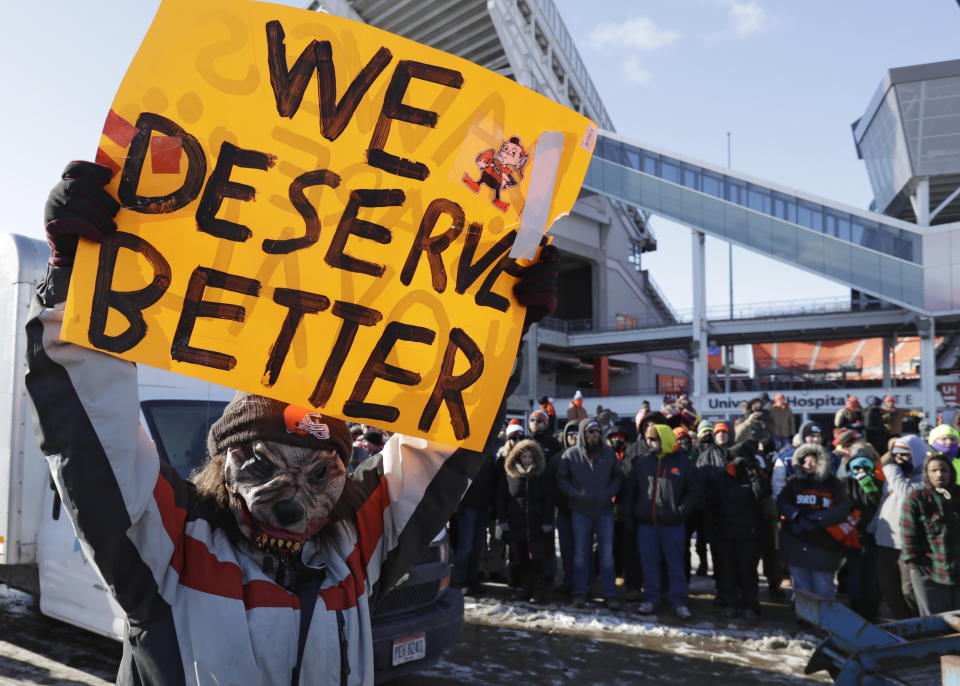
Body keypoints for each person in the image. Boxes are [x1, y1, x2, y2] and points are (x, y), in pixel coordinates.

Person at [28, 161, 559, 684]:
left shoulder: (354, 546)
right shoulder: (166, 544)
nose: (290, 500)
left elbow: (444, 443)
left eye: (318, 474)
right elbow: (96, 433)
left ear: (342, 473)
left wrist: (498, 332)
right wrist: (74, 282)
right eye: (264, 466)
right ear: (225, 463)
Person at [623, 423, 701, 619]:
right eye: (648, 439)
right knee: (649, 564)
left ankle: (679, 601)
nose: (650, 443)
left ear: (665, 439)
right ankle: (651, 599)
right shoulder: (641, 463)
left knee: (676, 564)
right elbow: (631, 491)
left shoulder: (684, 464)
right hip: (647, 524)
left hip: (673, 524)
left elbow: (695, 491)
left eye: (654, 439)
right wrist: (630, 515)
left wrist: (681, 511)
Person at [556, 418, 623, 609]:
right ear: (583, 434)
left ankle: (610, 594)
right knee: (581, 554)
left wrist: (610, 492)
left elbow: (618, 477)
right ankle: (580, 592)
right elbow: (562, 479)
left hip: (604, 511)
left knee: (607, 555)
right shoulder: (570, 455)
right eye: (591, 432)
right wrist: (575, 493)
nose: (595, 435)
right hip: (580, 511)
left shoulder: (609, 453)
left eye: (597, 431)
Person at [777, 444, 850, 601]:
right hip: (796, 542)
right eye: (804, 462)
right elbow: (782, 502)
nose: (808, 466)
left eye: (812, 462)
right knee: (801, 587)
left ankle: (825, 621)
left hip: (824, 544)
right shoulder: (794, 483)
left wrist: (816, 519)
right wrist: (796, 516)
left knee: (823, 588)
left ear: (822, 463)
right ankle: (804, 619)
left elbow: (843, 508)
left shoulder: (834, 484)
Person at [868, 435, 926, 619]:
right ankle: (900, 624)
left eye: (905, 455)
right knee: (888, 587)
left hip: (907, 545)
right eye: (896, 455)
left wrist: (892, 472)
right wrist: (873, 526)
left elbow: (907, 497)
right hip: (886, 542)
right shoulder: (896, 477)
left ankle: (918, 625)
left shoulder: (923, 479)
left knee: (908, 589)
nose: (899, 459)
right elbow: (886, 501)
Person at [712, 443, 770, 621]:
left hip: (749, 532)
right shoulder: (721, 477)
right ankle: (730, 603)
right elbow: (713, 503)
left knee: (748, 571)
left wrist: (753, 472)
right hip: (726, 532)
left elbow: (763, 493)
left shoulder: (753, 474)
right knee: (729, 570)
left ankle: (750, 604)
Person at [496, 439, 554, 603]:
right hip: (516, 523)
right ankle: (526, 589)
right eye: (524, 457)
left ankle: (539, 592)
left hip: (536, 524)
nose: (527, 460)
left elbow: (548, 499)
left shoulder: (541, 475)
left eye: (530, 457)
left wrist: (547, 520)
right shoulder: (510, 475)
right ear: (518, 457)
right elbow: (502, 498)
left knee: (537, 560)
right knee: (520, 560)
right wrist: (502, 519)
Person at [901, 453, 960, 615]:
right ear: (927, 473)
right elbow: (908, 534)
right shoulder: (917, 497)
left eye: (944, 470)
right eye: (934, 470)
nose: (939, 474)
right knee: (934, 620)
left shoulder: (957, 494)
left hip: (957, 567)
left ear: (951, 473)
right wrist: (914, 566)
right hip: (929, 569)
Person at [840, 450, 883, 621]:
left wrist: (868, 485)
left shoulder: (879, 484)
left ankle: (872, 613)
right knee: (855, 576)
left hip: (873, 538)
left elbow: (877, 504)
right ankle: (856, 611)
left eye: (865, 467)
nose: (860, 470)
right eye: (856, 467)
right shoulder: (844, 483)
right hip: (852, 537)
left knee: (872, 577)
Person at [555, 419, 581, 594]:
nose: (573, 436)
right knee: (565, 549)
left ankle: (581, 584)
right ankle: (568, 581)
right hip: (563, 511)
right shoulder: (557, 458)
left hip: (583, 512)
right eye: (570, 433)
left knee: (581, 550)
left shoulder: (586, 458)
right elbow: (550, 485)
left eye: (576, 433)